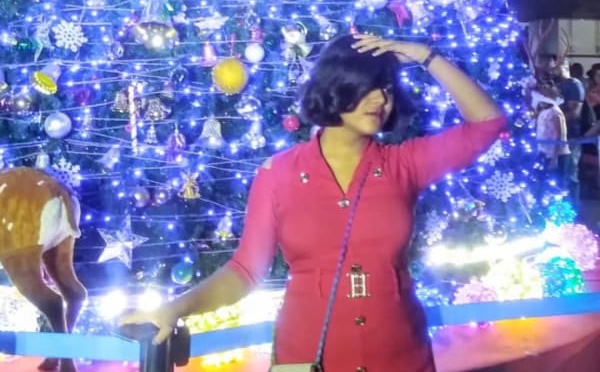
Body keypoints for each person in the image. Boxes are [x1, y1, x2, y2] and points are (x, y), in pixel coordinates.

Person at [119, 34, 505, 372]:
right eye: (367, 87)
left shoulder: (403, 165)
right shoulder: (278, 175)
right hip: (309, 357)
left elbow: (488, 123)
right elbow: (244, 271)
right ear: (337, 87)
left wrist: (425, 55)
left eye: (386, 88)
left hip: (401, 356)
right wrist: (175, 309)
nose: (380, 99)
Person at [552, 57, 586, 202]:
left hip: (570, 135)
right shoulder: (554, 84)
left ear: (564, 66)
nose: (552, 69)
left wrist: (552, 120)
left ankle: (572, 208)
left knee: (570, 173)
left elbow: (574, 112)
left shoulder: (574, 85)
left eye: (556, 65)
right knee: (557, 174)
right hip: (553, 137)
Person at [531, 85, 570, 191]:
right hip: (544, 151)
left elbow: (559, 135)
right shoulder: (543, 112)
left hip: (557, 154)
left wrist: (554, 157)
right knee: (542, 179)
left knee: (558, 182)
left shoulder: (555, 112)